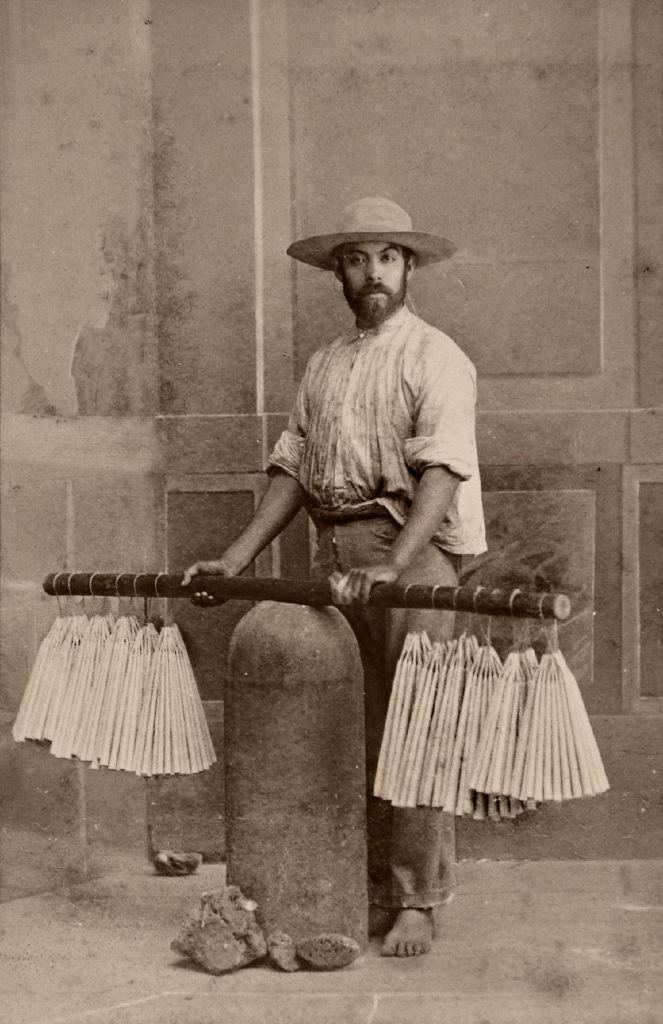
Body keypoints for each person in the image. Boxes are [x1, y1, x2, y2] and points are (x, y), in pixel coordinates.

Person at [182, 196, 486, 958]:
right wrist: (235, 558)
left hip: (413, 550)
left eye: (386, 256)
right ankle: (359, 882)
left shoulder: (436, 356)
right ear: (338, 274)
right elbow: (291, 470)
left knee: (415, 725)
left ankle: (417, 897)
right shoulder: (325, 364)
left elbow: (443, 472)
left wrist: (393, 561)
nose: (371, 271)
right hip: (338, 555)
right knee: (350, 723)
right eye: (356, 258)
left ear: (407, 266)